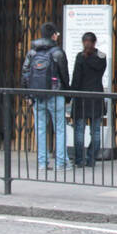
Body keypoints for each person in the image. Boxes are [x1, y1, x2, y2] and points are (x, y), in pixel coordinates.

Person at [22, 23, 70, 170]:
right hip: (56, 95)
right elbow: (64, 76)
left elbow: (25, 73)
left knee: (40, 128)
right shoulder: (58, 53)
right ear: (54, 35)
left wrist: (28, 94)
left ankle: (42, 162)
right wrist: (67, 94)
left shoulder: (32, 53)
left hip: (37, 96)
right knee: (60, 129)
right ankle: (60, 163)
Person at [69, 31, 107, 167]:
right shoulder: (102, 57)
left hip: (82, 98)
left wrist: (70, 96)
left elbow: (76, 79)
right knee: (95, 131)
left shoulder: (80, 57)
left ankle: (79, 159)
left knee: (79, 130)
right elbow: (100, 74)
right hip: (96, 97)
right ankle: (91, 159)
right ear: (95, 42)